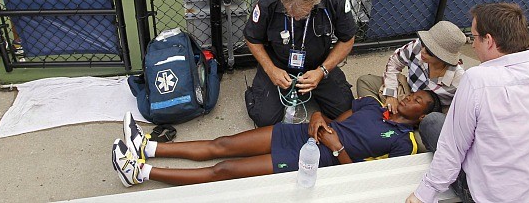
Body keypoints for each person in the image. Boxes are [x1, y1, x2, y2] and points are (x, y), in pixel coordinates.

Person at [406, 3, 529, 203]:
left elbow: (453, 148)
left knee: (433, 123)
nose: (473, 44)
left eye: (474, 37)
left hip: (497, 198)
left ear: (489, 41)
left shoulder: (477, 79)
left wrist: (424, 194)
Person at [113, 89, 442, 186]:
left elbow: (358, 176)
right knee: (223, 143)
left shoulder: (405, 143)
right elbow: (337, 121)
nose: (410, 99)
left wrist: (336, 147)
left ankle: (139, 172)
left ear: (422, 117)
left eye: (418, 103)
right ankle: (148, 145)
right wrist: (317, 117)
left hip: (313, 160)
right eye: (412, 94)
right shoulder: (372, 105)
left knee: (224, 169)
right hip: (300, 133)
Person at [244, 0, 356, 127]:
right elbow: (252, 38)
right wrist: (270, 70)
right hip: (279, 64)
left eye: (301, 13)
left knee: (344, 110)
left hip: (318, 64)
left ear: (315, 1)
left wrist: (322, 71)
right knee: (265, 119)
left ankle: (313, 87)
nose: (295, 17)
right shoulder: (268, 1)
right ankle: (259, 90)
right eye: (289, 12)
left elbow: (348, 39)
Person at [357, 21, 466, 112]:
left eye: (429, 51)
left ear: (444, 58)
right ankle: (379, 117)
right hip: (407, 93)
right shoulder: (417, 46)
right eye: (424, 44)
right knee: (365, 81)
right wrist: (391, 94)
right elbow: (394, 63)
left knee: (433, 121)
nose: (422, 51)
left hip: (430, 112)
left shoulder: (460, 79)